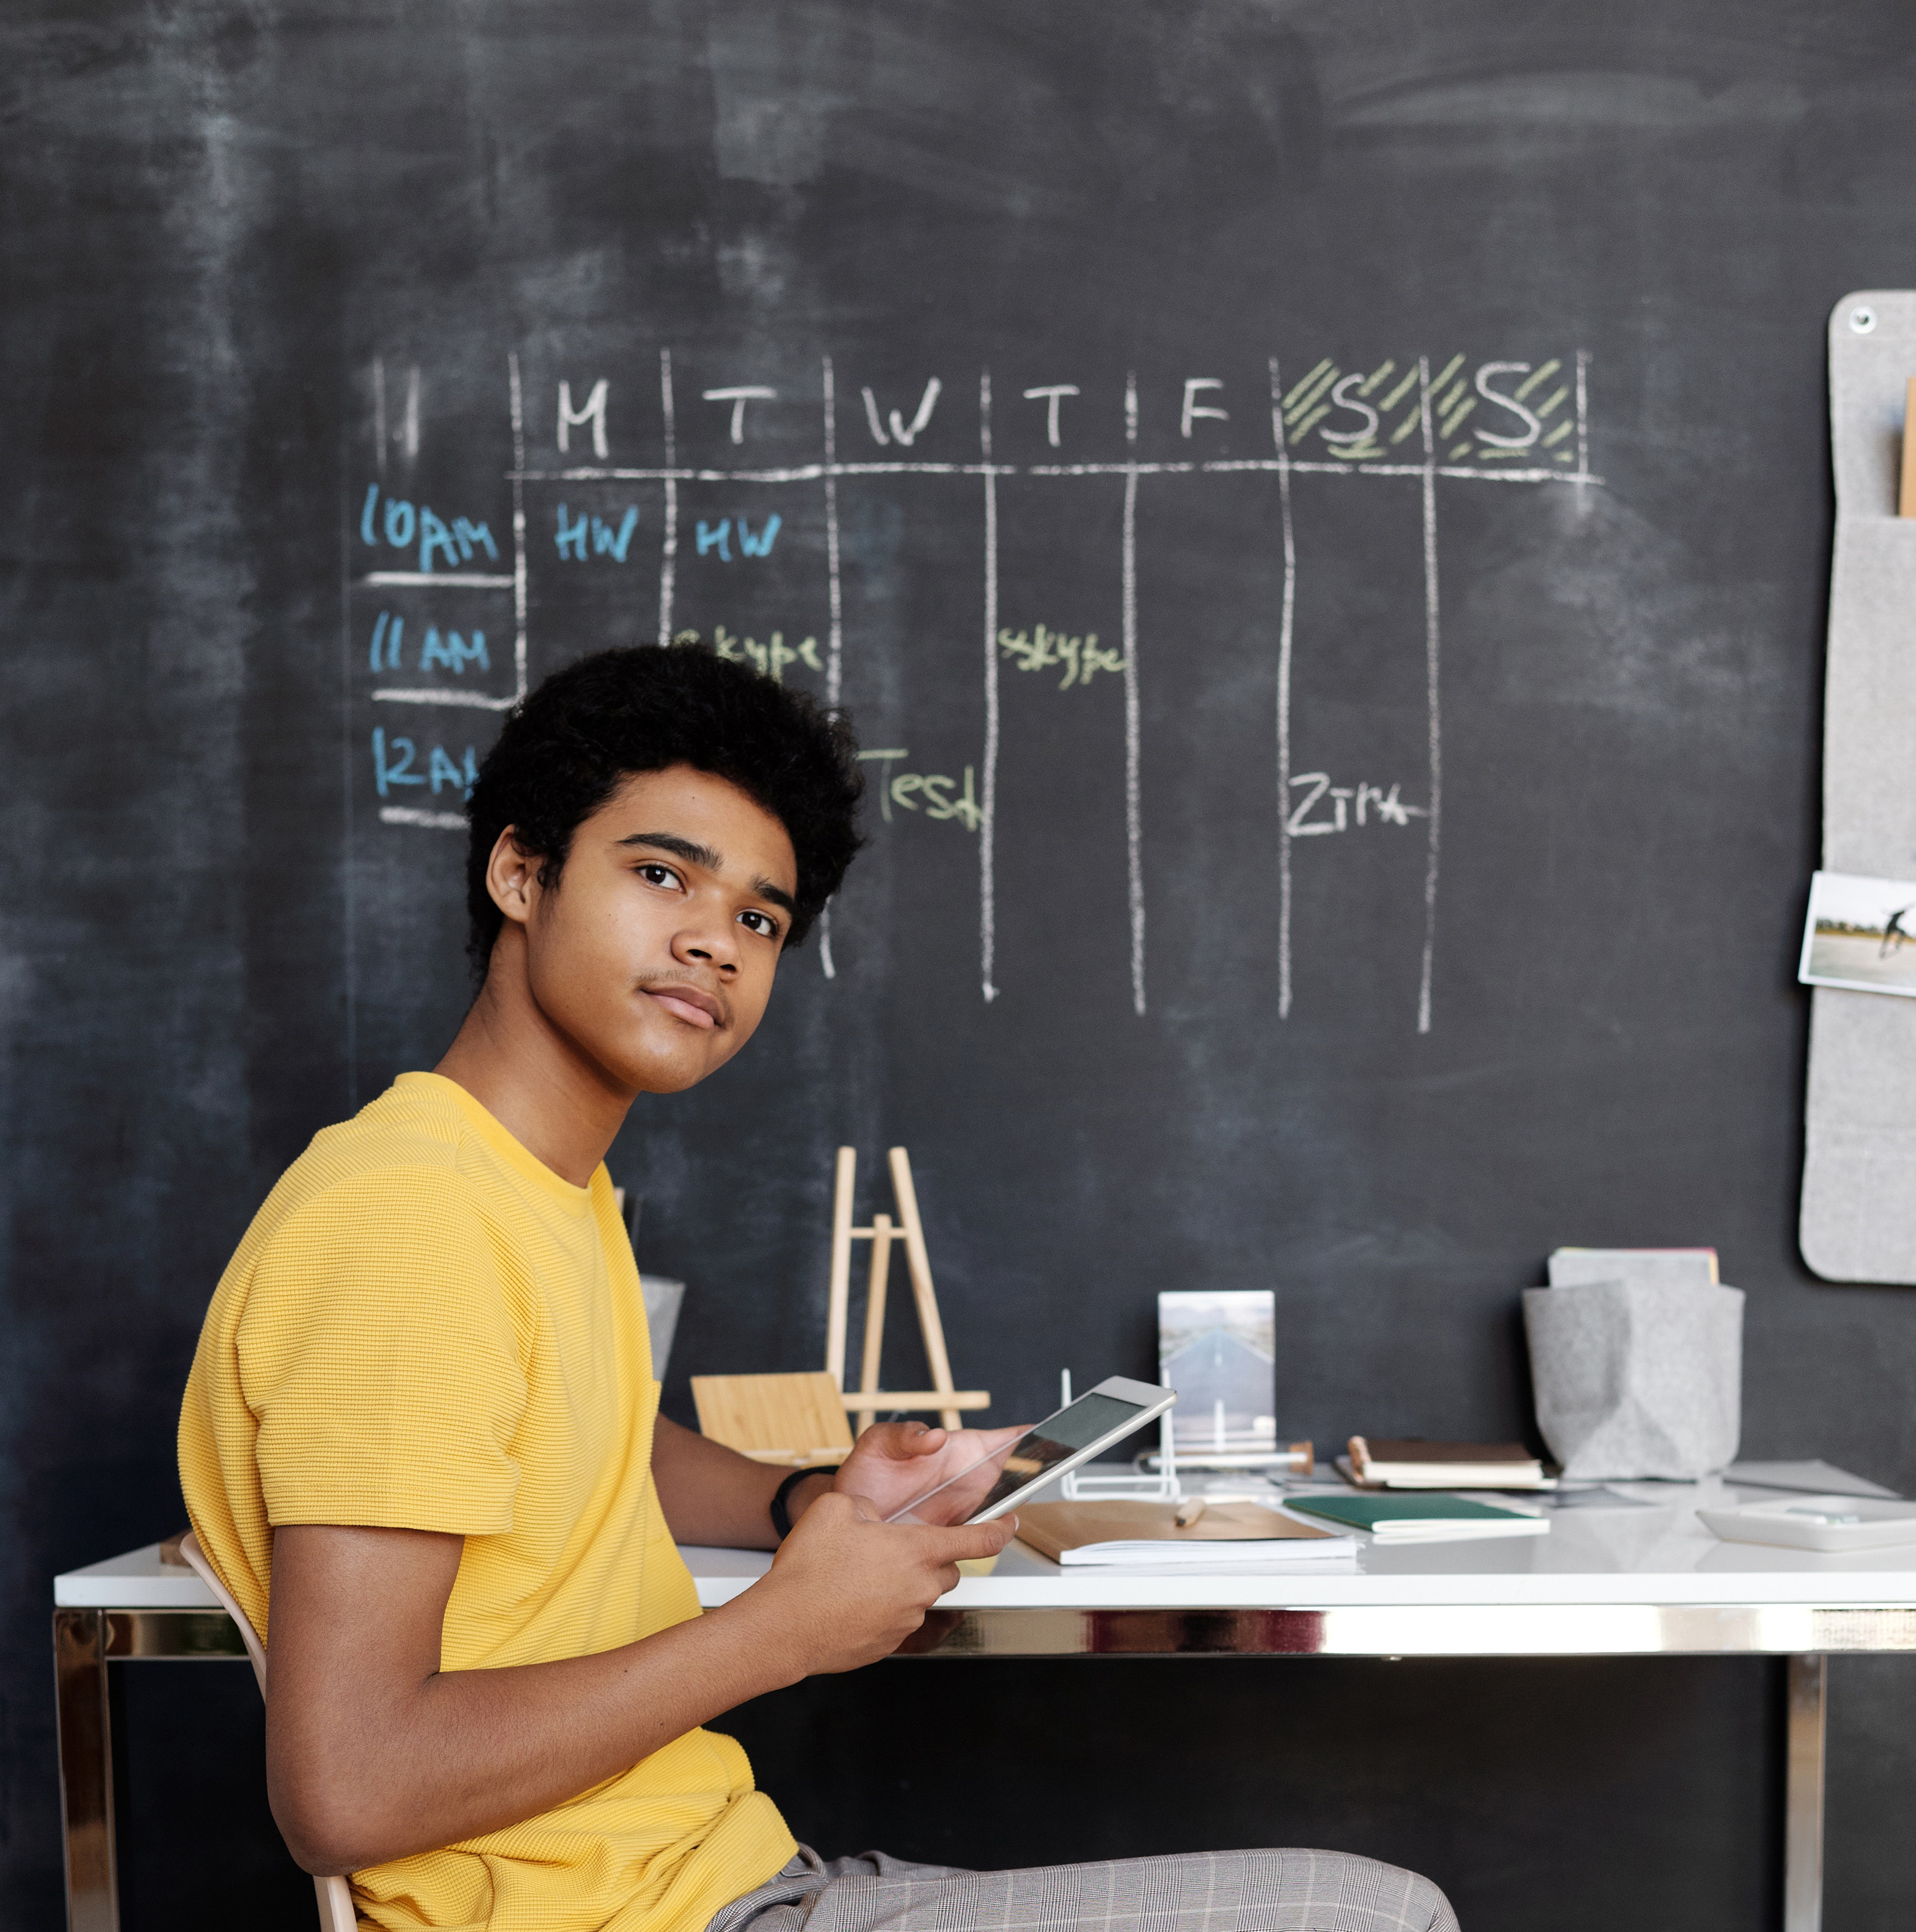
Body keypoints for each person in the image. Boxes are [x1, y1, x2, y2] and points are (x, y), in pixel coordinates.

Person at [178, 644, 1459, 1932]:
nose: (713, 944)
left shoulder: (538, 1188)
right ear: (521, 872)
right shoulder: (409, 1221)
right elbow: (348, 1790)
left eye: (759, 919)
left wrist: (810, 1500)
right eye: (661, 874)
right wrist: (779, 1633)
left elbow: (583, 1441)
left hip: (724, 1879)